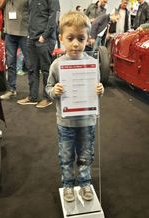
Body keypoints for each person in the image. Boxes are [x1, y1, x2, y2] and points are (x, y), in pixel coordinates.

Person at [45, 11, 104, 202]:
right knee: (66, 156)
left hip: (87, 121)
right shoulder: (56, 65)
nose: (76, 43)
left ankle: (85, 183)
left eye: (81, 38)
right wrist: (55, 91)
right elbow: (47, 88)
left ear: (88, 39)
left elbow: (96, 90)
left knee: (86, 155)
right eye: (70, 38)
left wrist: (100, 90)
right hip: (65, 123)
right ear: (61, 38)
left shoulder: (93, 64)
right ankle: (68, 185)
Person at [17, 0, 60, 109]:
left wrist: (44, 36)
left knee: (46, 70)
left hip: (44, 39)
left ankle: (47, 98)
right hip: (31, 38)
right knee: (32, 69)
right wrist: (29, 34)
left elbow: (54, 17)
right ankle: (33, 97)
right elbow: (30, 16)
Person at [0, 0, 29, 100]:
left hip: (24, 33)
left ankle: (33, 92)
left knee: (30, 63)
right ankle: (12, 90)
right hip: (9, 33)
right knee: (10, 62)